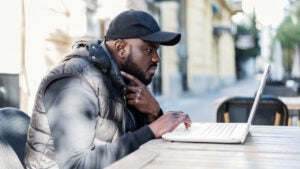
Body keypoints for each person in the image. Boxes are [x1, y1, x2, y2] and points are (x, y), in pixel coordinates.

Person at [24, 9, 191, 169]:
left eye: (156, 50)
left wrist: (153, 113)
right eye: (148, 49)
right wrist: (153, 129)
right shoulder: (75, 82)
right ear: (121, 48)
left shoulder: (122, 78)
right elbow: (77, 165)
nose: (156, 58)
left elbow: (136, 143)